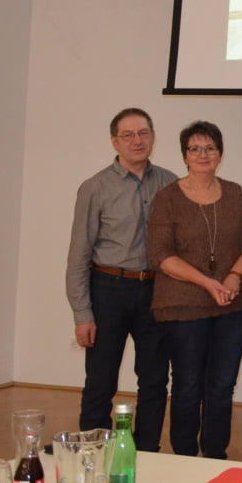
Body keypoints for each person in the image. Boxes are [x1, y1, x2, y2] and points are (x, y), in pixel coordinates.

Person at [147, 120, 242, 459]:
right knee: (187, 386)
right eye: (195, 149)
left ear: (220, 154)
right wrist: (208, 283)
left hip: (235, 305)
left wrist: (234, 276)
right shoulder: (167, 198)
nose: (202, 154)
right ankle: (185, 459)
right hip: (184, 307)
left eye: (209, 148)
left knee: (222, 386)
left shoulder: (235, 193)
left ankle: (215, 457)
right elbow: (160, 255)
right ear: (185, 155)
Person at [65, 108, 178, 449]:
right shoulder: (95, 187)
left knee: (155, 380)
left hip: (156, 291)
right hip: (108, 290)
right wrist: (82, 313)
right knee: (101, 380)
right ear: (115, 142)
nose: (137, 141)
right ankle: (92, 450)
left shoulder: (171, 183)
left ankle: (147, 451)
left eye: (143, 133)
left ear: (153, 137)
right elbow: (78, 254)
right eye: (127, 135)